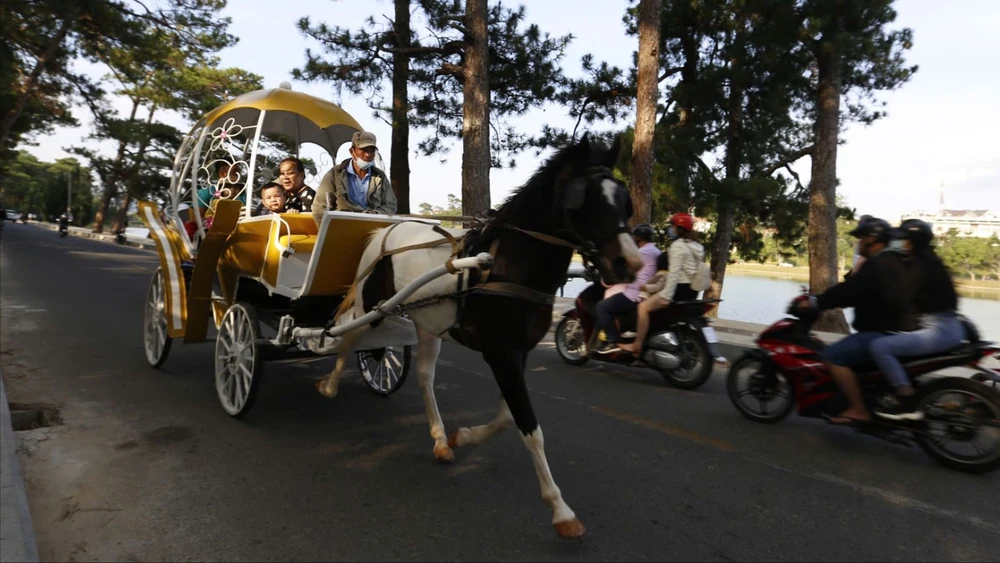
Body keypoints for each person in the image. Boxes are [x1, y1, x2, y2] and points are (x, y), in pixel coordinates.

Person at [793, 217, 918, 426]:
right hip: (904, 331)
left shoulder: (878, 265)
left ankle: (859, 410)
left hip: (880, 333)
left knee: (833, 355)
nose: (858, 244)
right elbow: (855, 291)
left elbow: (848, 292)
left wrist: (815, 302)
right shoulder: (897, 262)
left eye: (861, 239)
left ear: (871, 240)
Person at [869, 219, 963, 421]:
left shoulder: (918, 266)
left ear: (911, 242)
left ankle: (907, 400)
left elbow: (899, 298)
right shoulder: (931, 261)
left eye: (902, 239)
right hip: (950, 326)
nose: (898, 242)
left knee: (880, 347)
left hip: (937, 331)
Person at [620, 213, 704, 356]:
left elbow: (674, 273)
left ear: (679, 229)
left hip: (678, 288)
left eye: (673, 226)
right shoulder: (697, 246)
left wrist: (666, 296)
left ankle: (636, 345)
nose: (671, 229)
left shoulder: (678, 246)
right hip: (691, 290)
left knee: (642, 307)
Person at [593, 224, 661, 354]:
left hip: (635, 294)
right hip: (648, 292)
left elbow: (621, 268)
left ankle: (612, 341)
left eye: (634, 237)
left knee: (601, 307)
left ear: (638, 238)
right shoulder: (657, 252)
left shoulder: (640, 253)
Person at [312, 131, 397, 225]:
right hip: (342, 226)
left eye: (372, 150)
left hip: (372, 227)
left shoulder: (380, 176)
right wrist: (328, 231)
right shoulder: (335, 174)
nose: (368, 154)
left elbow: (391, 205)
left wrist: (376, 214)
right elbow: (319, 209)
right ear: (352, 151)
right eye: (364, 150)